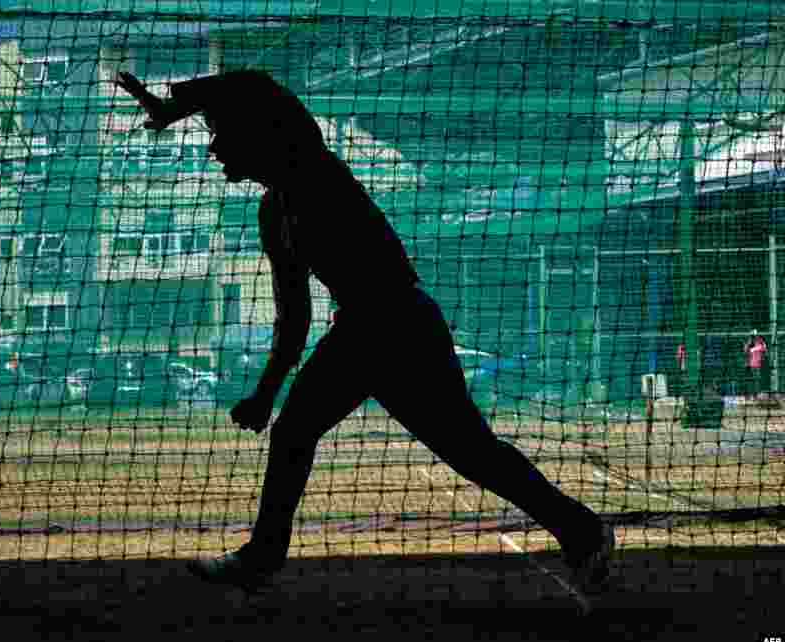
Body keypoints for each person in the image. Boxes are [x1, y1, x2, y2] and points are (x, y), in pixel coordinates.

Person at [113, 69, 614, 595]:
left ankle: (581, 530)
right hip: (365, 329)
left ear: (256, 138)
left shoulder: (309, 166)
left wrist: (179, 101)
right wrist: (264, 394)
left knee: (470, 452)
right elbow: (295, 315)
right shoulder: (272, 213)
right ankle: (581, 531)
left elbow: (262, 88)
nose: (213, 150)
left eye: (220, 136)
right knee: (312, 434)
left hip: (398, 322)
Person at [743, 329, 768, 399]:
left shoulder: (760, 343)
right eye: (752, 336)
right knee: (751, 380)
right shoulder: (749, 343)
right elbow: (745, 352)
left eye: (754, 336)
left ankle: (754, 395)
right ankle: (749, 395)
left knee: (756, 380)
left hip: (756, 364)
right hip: (750, 365)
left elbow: (764, 351)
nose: (753, 337)